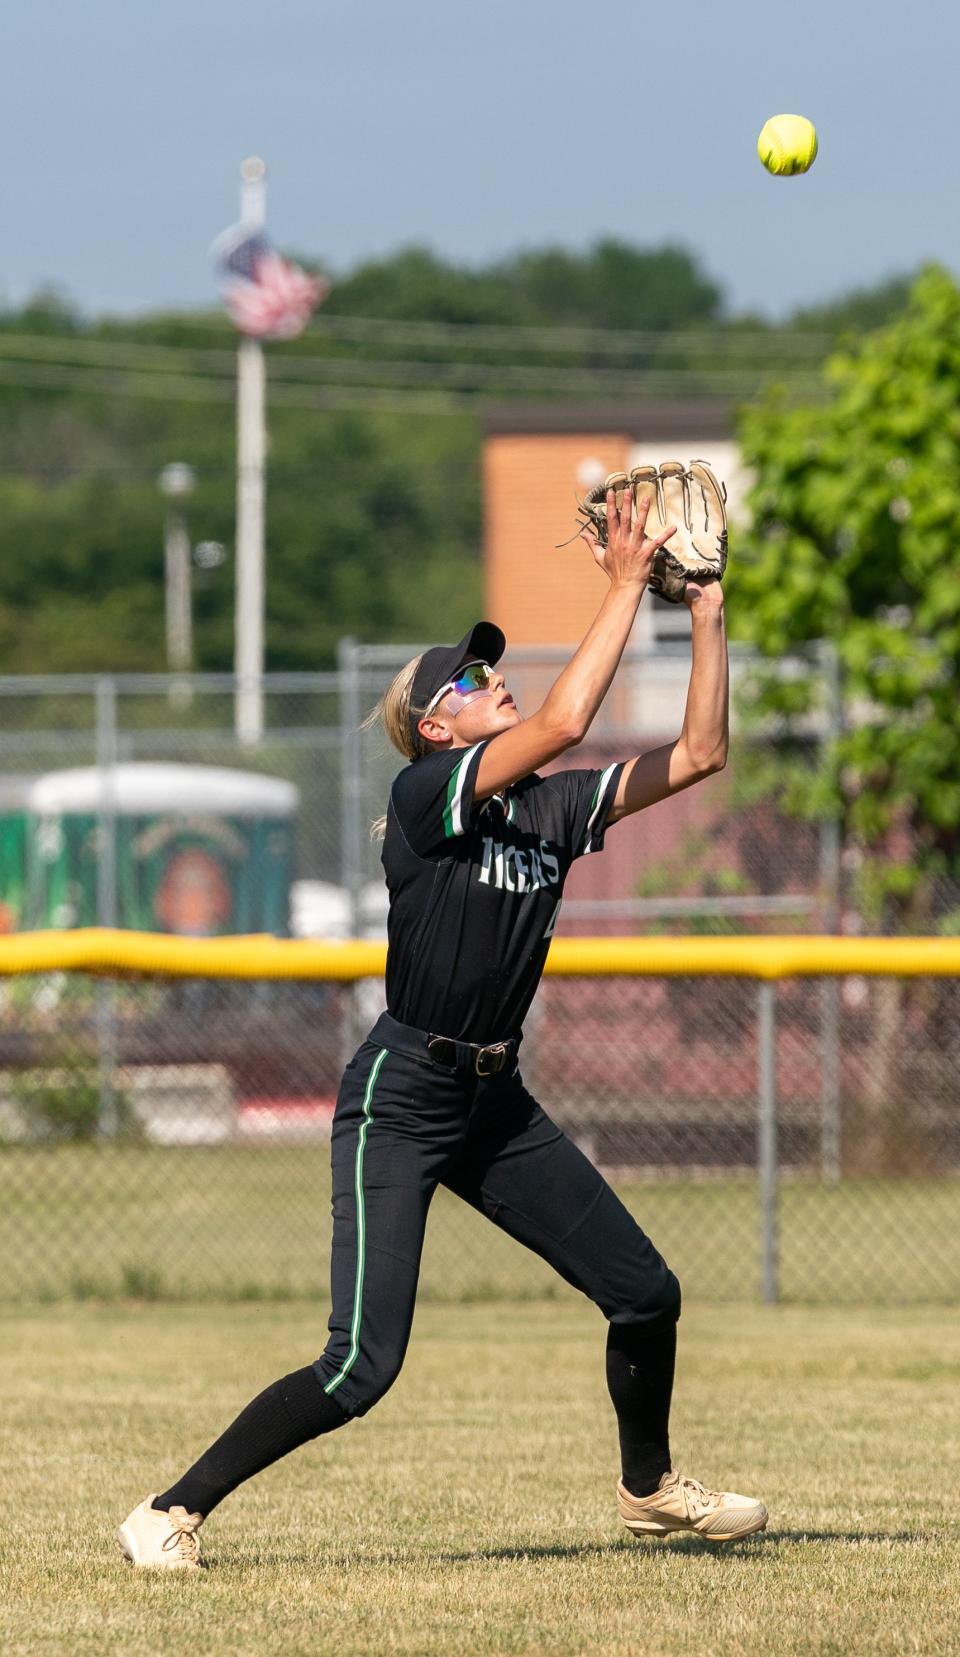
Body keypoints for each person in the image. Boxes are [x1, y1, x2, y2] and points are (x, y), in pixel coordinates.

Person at [118, 486, 767, 1571]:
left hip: (494, 1100)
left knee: (647, 1291)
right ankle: (169, 1510)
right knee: (359, 1366)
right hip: (403, 1093)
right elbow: (564, 719)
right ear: (434, 725)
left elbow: (699, 754)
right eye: (466, 679)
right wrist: (619, 587)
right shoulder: (430, 795)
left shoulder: (552, 810)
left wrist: (700, 609)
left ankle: (649, 1487)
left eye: (485, 666)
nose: (489, 679)